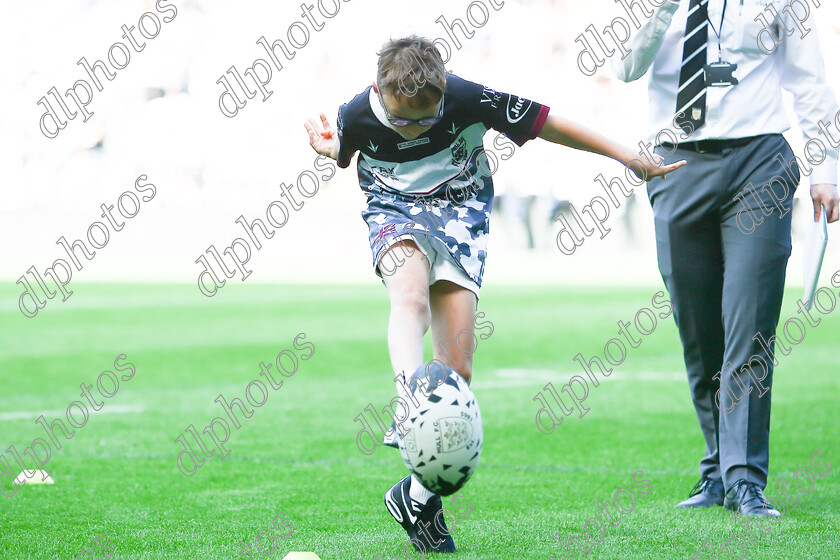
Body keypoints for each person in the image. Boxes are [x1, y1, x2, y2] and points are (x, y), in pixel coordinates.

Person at [305, 35, 684, 553]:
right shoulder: (357, 112)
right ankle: (407, 400)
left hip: (461, 216)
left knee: (456, 374)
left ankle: (414, 498)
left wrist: (625, 156)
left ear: (442, 93)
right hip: (393, 212)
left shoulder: (466, 97)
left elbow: (549, 123)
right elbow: (343, 153)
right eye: (402, 121)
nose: (415, 129)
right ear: (378, 91)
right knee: (410, 297)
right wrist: (331, 150)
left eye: (426, 119)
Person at [612, 0, 839, 517]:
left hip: (760, 161)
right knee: (699, 332)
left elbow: (810, 81)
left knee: (750, 325)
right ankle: (716, 468)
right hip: (675, 163)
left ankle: (744, 479)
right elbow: (625, 67)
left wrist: (827, 167)